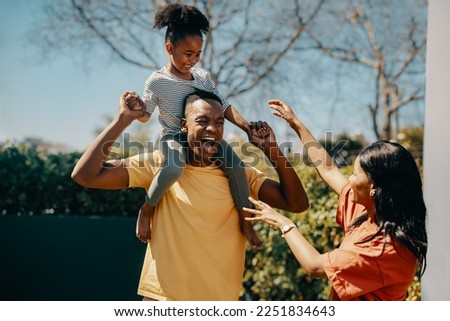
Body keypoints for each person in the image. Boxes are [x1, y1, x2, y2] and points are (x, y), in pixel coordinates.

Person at [71, 90, 309, 300]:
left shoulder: (240, 175)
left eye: (218, 122)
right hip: (164, 301)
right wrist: (122, 120)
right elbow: (85, 176)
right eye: (202, 121)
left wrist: (272, 151)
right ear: (184, 125)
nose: (212, 129)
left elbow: (297, 203)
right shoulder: (161, 164)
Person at [243, 99, 428, 301]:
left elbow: (313, 265)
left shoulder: (387, 249)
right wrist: (294, 123)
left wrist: (285, 223)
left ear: (374, 187)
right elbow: (328, 168)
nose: (349, 179)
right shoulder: (368, 213)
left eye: (355, 175)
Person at [126, 3, 261, 248]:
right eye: (188, 54)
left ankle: (246, 221)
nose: (194, 59)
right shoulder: (157, 81)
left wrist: (246, 126)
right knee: (173, 169)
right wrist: (136, 106)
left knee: (237, 166)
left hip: (204, 138)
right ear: (170, 48)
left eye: (198, 54)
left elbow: (224, 105)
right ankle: (146, 210)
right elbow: (145, 115)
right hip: (174, 138)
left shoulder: (203, 78)